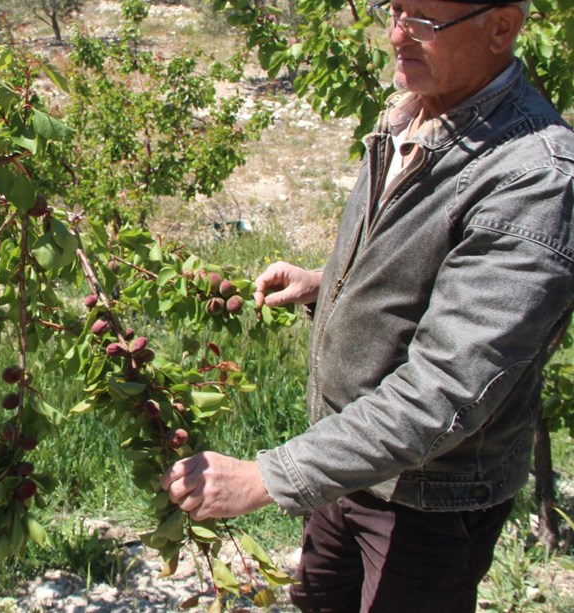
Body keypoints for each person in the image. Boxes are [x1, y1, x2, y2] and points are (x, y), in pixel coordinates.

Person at [160, 1, 574, 610]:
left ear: (502, 28)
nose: (397, 33)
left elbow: (448, 389)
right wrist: (325, 282)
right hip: (347, 462)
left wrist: (269, 476)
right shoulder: (417, 113)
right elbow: (427, 262)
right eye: (395, 7)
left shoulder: (532, 179)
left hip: (428, 499)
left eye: (424, 20)